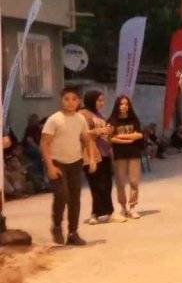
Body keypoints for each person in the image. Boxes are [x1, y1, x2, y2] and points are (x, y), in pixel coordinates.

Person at [40, 87, 93, 246]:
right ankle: (56, 226)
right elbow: (44, 143)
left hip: (75, 163)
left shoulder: (80, 119)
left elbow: (86, 139)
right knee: (62, 195)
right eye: (66, 99)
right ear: (61, 100)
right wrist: (50, 166)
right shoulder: (54, 119)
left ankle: (73, 233)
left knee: (74, 199)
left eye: (74, 99)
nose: (70, 102)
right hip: (57, 163)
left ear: (79, 101)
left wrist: (92, 159)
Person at [80, 90, 114, 225]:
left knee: (107, 184)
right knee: (96, 184)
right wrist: (99, 131)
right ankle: (95, 213)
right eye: (99, 100)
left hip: (104, 153)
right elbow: (82, 133)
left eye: (102, 100)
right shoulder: (82, 114)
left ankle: (107, 211)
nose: (101, 103)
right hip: (91, 154)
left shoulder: (99, 115)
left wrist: (109, 130)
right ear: (91, 100)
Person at [109, 95, 144, 221]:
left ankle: (132, 206)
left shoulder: (134, 119)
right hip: (119, 155)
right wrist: (129, 138)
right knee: (120, 182)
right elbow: (111, 138)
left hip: (134, 153)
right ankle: (123, 207)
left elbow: (139, 135)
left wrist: (121, 137)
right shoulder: (113, 120)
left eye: (126, 104)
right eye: (121, 104)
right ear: (117, 106)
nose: (124, 106)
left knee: (134, 181)